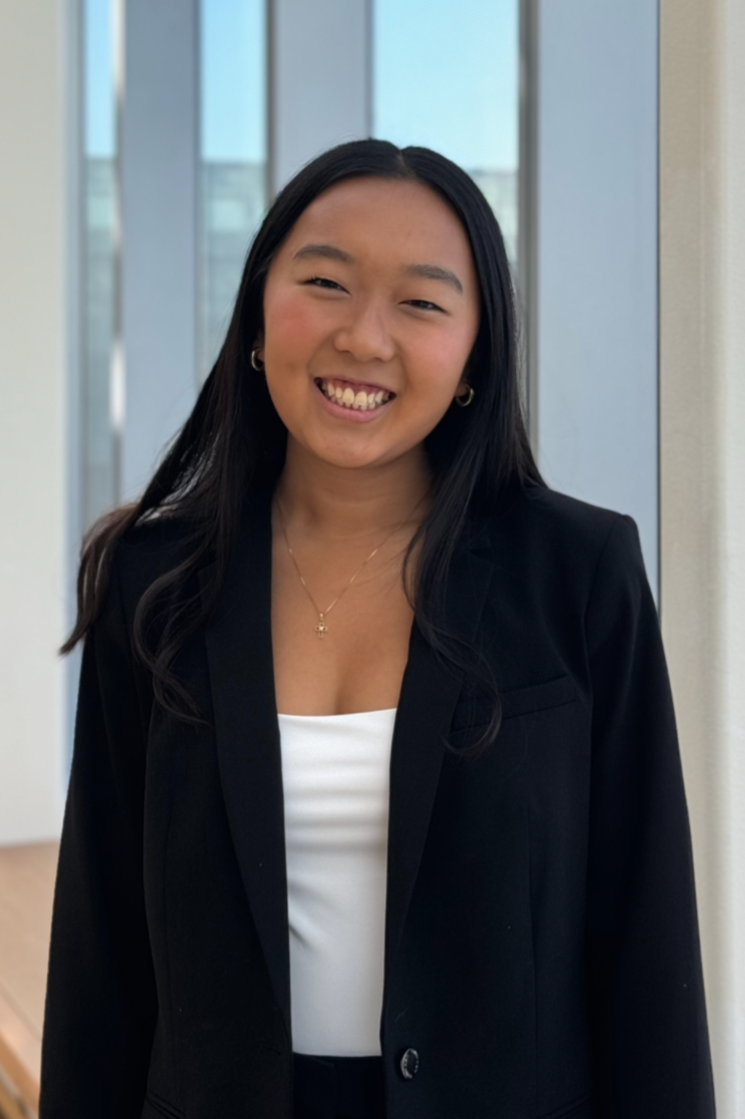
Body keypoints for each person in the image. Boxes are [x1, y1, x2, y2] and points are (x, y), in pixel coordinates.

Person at [39, 139, 716, 1119]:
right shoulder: (155, 585)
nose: (364, 338)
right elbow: (99, 965)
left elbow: (648, 953)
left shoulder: (579, 574)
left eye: (422, 302)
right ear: (259, 313)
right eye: (325, 282)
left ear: (476, 351)